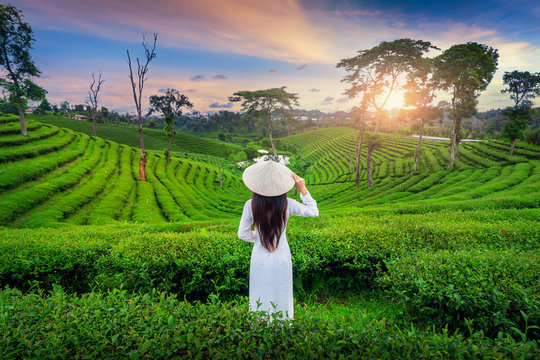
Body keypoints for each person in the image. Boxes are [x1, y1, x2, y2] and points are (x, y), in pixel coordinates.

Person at [238, 160, 319, 320]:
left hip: (259, 258)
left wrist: (260, 237)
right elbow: (313, 212)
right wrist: (303, 189)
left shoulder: (250, 205)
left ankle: (259, 326)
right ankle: (283, 327)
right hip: (282, 257)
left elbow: (243, 234)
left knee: (260, 291)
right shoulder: (287, 203)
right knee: (281, 292)